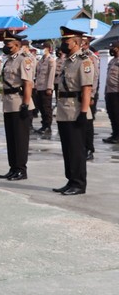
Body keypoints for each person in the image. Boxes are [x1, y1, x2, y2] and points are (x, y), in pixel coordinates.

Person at [52, 27, 93, 196]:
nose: (63, 44)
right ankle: (70, 180)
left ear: (76, 42)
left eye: (66, 41)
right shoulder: (68, 61)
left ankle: (79, 183)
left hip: (76, 111)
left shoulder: (84, 61)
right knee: (67, 149)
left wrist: (84, 113)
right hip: (64, 110)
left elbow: (86, 89)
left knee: (76, 150)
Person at [0, 30, 35, 181]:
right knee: (11, 138)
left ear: (17, 44)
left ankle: (21, 169)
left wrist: (25, 104)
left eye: (9, 44)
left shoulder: (24, 59)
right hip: (8, 102)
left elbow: (27, 83)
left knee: (20, 139)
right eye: (5, 43)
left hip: (19, 102)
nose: (6, 46)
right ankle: (13, 167)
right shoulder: (9, 59)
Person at [81, 35, 99, 160]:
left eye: (83, 43)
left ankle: (89, 149)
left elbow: (95, 77)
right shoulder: (76, 57)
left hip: (89, 94)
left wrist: (91, 95)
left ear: (87, 45)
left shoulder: (91, 58)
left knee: (88, 124)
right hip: (78, 96)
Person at [34, 43, 56, 134]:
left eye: (44, 48)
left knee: (46, 107)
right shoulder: (40, 61)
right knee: (41, 106)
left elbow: (51, 75)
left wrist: (49, 88)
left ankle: (47, 125)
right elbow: (37, 74)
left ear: (48, 49)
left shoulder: (51, 60)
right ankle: (43, 124)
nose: (42, 50)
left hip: (46, 87)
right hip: (39, 87)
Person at [103, 43, 119, 144]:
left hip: (117, 91)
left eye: (113, 48)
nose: (111, 50)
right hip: (109, 91)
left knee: (117, 114)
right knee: (111, 113)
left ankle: (118, 136)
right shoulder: (112, 61)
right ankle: (114, 133)